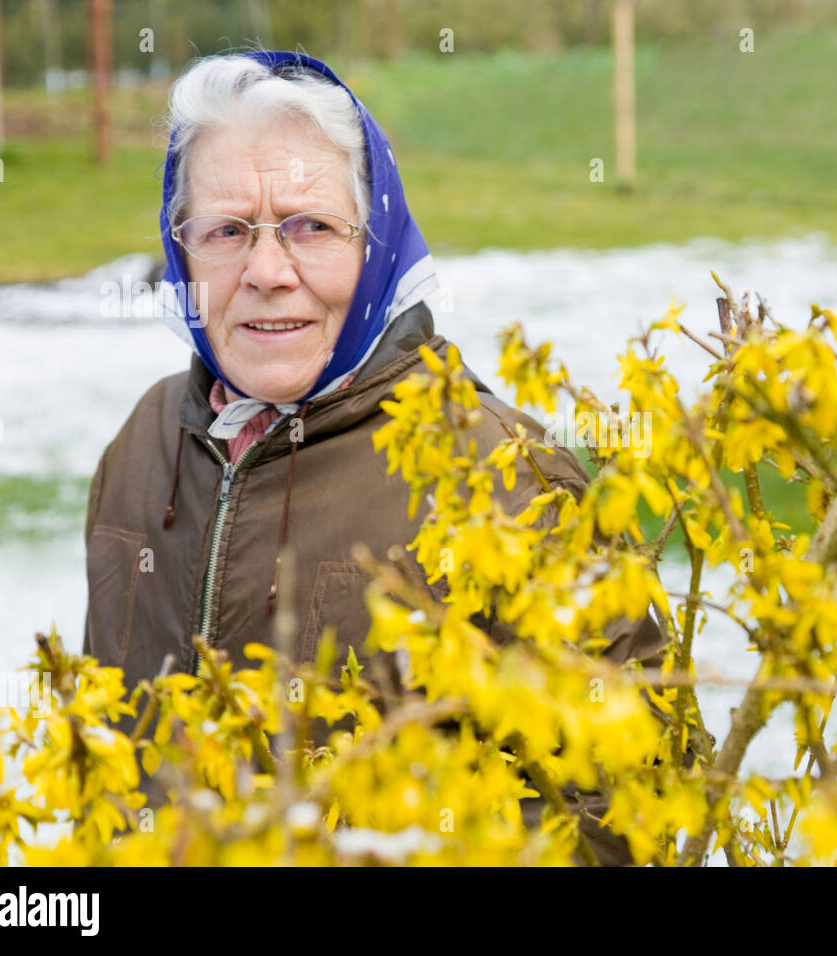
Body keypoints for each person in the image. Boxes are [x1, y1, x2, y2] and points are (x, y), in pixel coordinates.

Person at [82, 49, 674, 865]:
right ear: (179, 252)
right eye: (224, 232)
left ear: (378, 243)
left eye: (311, 227)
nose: (265, 271)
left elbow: (627, 814)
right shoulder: (144, 442)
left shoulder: (503, 479)